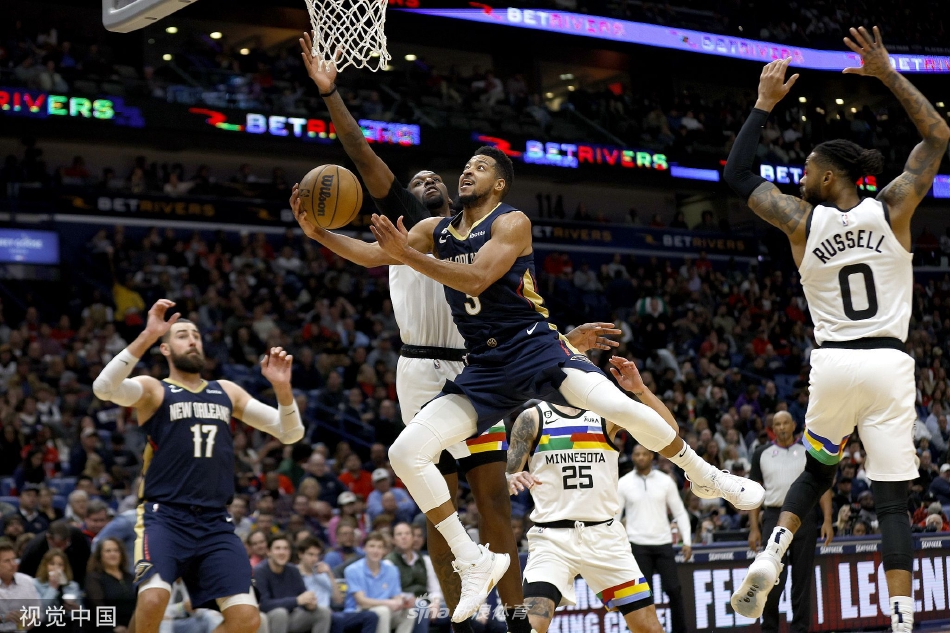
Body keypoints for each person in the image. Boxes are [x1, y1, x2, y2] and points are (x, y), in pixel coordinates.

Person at [315, 145, 763, 621]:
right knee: (405, 453)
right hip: (486, 366)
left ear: (499, 184)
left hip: (536, 348)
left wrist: (405, 253)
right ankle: (472, 558)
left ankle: (703, 474)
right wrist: (318, 232)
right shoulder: (436, 230)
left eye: (479, 168)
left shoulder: (512, 222)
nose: (467, 171)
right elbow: (371, 254)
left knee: (623, 409)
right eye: (465, 166)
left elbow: (476, 279)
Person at [295, 34, 626, 632]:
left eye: (434, 178)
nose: (424, 180)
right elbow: (361, 154)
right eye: (416, 177)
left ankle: (518, 617)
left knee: (493, 497)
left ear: (453, 196)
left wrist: (566, 339)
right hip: (421, 370)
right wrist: (331, 94)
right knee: (437, 502)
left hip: (480, 365)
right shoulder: (408, 223)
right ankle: (458, 620)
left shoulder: (467, 228)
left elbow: (522, 309)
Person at [724, 29, 950, 633]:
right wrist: (887, 73)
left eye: (807, 169)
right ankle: (901, 620)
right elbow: (937, 136)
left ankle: (771, 553)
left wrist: (763, 104)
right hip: (889, 366)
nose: (800, 175)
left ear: (829, 177)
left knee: (817, 472)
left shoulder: (801, 222)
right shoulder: (894, 206)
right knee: (893, 503)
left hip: (832, 366)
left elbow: (738, 173)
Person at [91, 299, 305, 633]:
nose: (192, 340)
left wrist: (282, 388)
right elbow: (104, 388)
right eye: (182, 336)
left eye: (196, 335)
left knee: (247, 619)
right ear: (164, 348)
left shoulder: (226, 391)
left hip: (215, 522)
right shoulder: (155, 390)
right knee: (153, 599)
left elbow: (290, 433)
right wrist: (147, 335)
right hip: (165, 517)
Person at [506, 357, 688, 633]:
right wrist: (508, 478)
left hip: (605, 537)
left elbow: (670, 432)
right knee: (530, 626)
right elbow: (508, 476)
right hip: (552, 539)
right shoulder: (532, 418)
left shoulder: (606, 415)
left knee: (649, 628)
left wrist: (640, 391)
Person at [747, 411, 834, 633]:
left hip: (806, 516)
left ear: (794, 425)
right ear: (772, 428)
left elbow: (822, 486)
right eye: (777, 424)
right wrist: (754, 528)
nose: (782, 427)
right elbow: (754, 493)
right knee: (770, 575)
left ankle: (800, 629)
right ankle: (769, 629)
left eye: (785, 423)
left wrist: (827, 520)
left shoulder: (808, 450)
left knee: (802, 578)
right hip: (773, 517)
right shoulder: (761, 453)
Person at [617, 444, 691, 633]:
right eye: (637, 454)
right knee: (642, 597)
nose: (640, 457)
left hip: (663, 542)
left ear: (651, 456)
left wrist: (687, 541)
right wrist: (614, 545)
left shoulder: (665, 481)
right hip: (637, 544)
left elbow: (680, 512)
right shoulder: (623, 483)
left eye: (644, 454)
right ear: (632, 457)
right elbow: (615, 517)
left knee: (674, 590)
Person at [297, 537, 377, 633]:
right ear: (301, 554)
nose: (315, 559)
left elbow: (338, 600)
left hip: (331, 613)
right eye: (311, 555)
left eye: (317, 555)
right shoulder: (294, 574)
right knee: (337, 619)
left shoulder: (322, 574)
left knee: (371, 616)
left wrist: (330, 574)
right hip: (310, 614)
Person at [255, 534, 331, 633]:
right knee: (280, 613)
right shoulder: (260, 571)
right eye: (277, 548)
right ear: (269, 552)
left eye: (286, 549)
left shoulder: (293, 570)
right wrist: (296, 600)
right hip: (268, 619)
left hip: (292, 617)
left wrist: (310, 603)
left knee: (323, 612)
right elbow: (264, 604)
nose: (282, 552)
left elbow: (303, 596)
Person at [342, 532, 412, 633]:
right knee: (383, 611)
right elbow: (361, 601)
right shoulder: (352, 570)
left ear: (384, 551)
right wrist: (387, 603)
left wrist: (402, 602)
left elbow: (396, 597)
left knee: (410, 612)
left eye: (380, 547)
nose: (376, 551)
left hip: (385, 609)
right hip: (358, 611)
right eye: (372, 546)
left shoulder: (392, 570)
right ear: (364, 548)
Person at [386, 523, 442, 633]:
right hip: (404, 604)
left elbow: (434, 588)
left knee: (457, 612)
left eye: (407, 533)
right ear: (393, 540)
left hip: (428, 602)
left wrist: (435, 603)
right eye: (399, 534)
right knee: (421, 607)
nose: (404, 537)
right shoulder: (389, 563)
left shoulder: (425, 560)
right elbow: (391, 592)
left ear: (413, 537)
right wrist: (414, 600)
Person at [18, 520, 91, 588]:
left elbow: (86, 564)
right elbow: (25, 577)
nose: (62, 549)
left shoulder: (77, 536)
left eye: (66, 544)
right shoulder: (33, 550)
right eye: (59, 546)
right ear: (49, 538)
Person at [85, 537, 136, 632]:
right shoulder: (95, 578)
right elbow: (97, 606)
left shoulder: (130, 577)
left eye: (116, 550)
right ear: (100, 555)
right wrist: (114, 626)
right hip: (107, 628)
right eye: (108, 551)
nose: (113, 554)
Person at [0, 541, 40, 631]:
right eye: (7, 561)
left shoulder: (27, 581)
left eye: (14, 559)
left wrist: (31, 619)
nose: (13, 564)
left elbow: (39, 612)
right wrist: (4, 617)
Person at [32, 548, 82, 620]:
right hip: (47, 623)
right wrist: (53, 588)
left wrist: (76, 610)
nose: (56, 568)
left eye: (60, 565)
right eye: (52, 564)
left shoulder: (72, 586)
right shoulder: (35, 584)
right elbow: (40, 609)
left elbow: (83, 612)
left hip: (69, 622)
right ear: (45, 566)